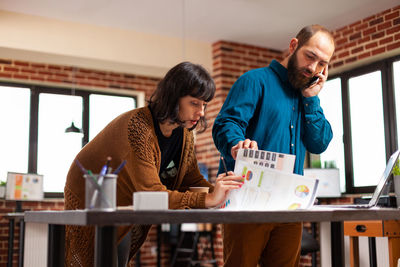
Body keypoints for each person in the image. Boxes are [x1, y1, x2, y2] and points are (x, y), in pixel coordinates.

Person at [64, 61, 243, 267]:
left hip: (126, 200)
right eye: (194, 103)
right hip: (91, 191)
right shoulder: (137, 127)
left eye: (204, 105)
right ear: (174, 98)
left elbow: (189, 178)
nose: (201, 112)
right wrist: (210, 198)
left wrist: (220, 191)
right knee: (92, 260)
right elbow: (152, 193)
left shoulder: (184, 133)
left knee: (118, 258)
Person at [212, 25, 335, 266]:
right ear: (293, 46)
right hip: (247, 203)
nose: (313, 68)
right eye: (310, 56)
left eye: (322, 63)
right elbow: (226, 123)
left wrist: (312, 99)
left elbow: (319, 143)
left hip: (290, 205)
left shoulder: (307, 96)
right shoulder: (254, 80)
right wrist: (237, 143)